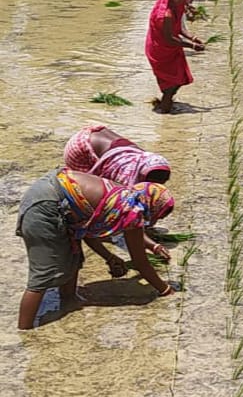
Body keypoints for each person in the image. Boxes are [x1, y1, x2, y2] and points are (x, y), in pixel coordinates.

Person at [16, 168, 176, 329]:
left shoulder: (125, 196)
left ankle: (69, 299)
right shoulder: (131, 210)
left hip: (47, 191)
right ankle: (25, 332)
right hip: (45, 207)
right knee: (44, 274)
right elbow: (141, 263)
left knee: (73, 255)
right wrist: (166, 290)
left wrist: (110, 257)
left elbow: (86, 233)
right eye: (159, 215)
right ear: (153, 206)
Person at [64, 125, 173, 260]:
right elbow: (129, 218)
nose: (157, 185)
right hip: (80, 148)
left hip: (95, 136)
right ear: (143, 176)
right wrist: (153, 245)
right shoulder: (127, 178)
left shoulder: (147, 161)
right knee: (84, 202)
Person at [145, 0, 205, 114]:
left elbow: (178, 28)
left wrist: (192, 37)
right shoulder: (167, 13)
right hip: (161, 50)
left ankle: (164, 105)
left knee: (178, 80)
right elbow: (170, 38)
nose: (179, 0)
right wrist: (192, 46)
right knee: (172, 85)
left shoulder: (176, 7)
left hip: (170, 49)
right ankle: (165, 118)